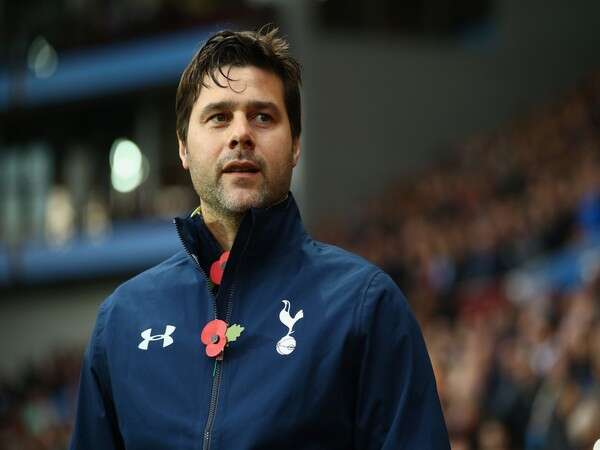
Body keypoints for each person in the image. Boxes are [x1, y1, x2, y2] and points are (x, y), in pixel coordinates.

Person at [69, 26, 450, 450]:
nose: (241, 134)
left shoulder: (365, 307)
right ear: (183, 147)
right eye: (218, 117)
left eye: (263, 117)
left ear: (296, 145)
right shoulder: (123, 320)